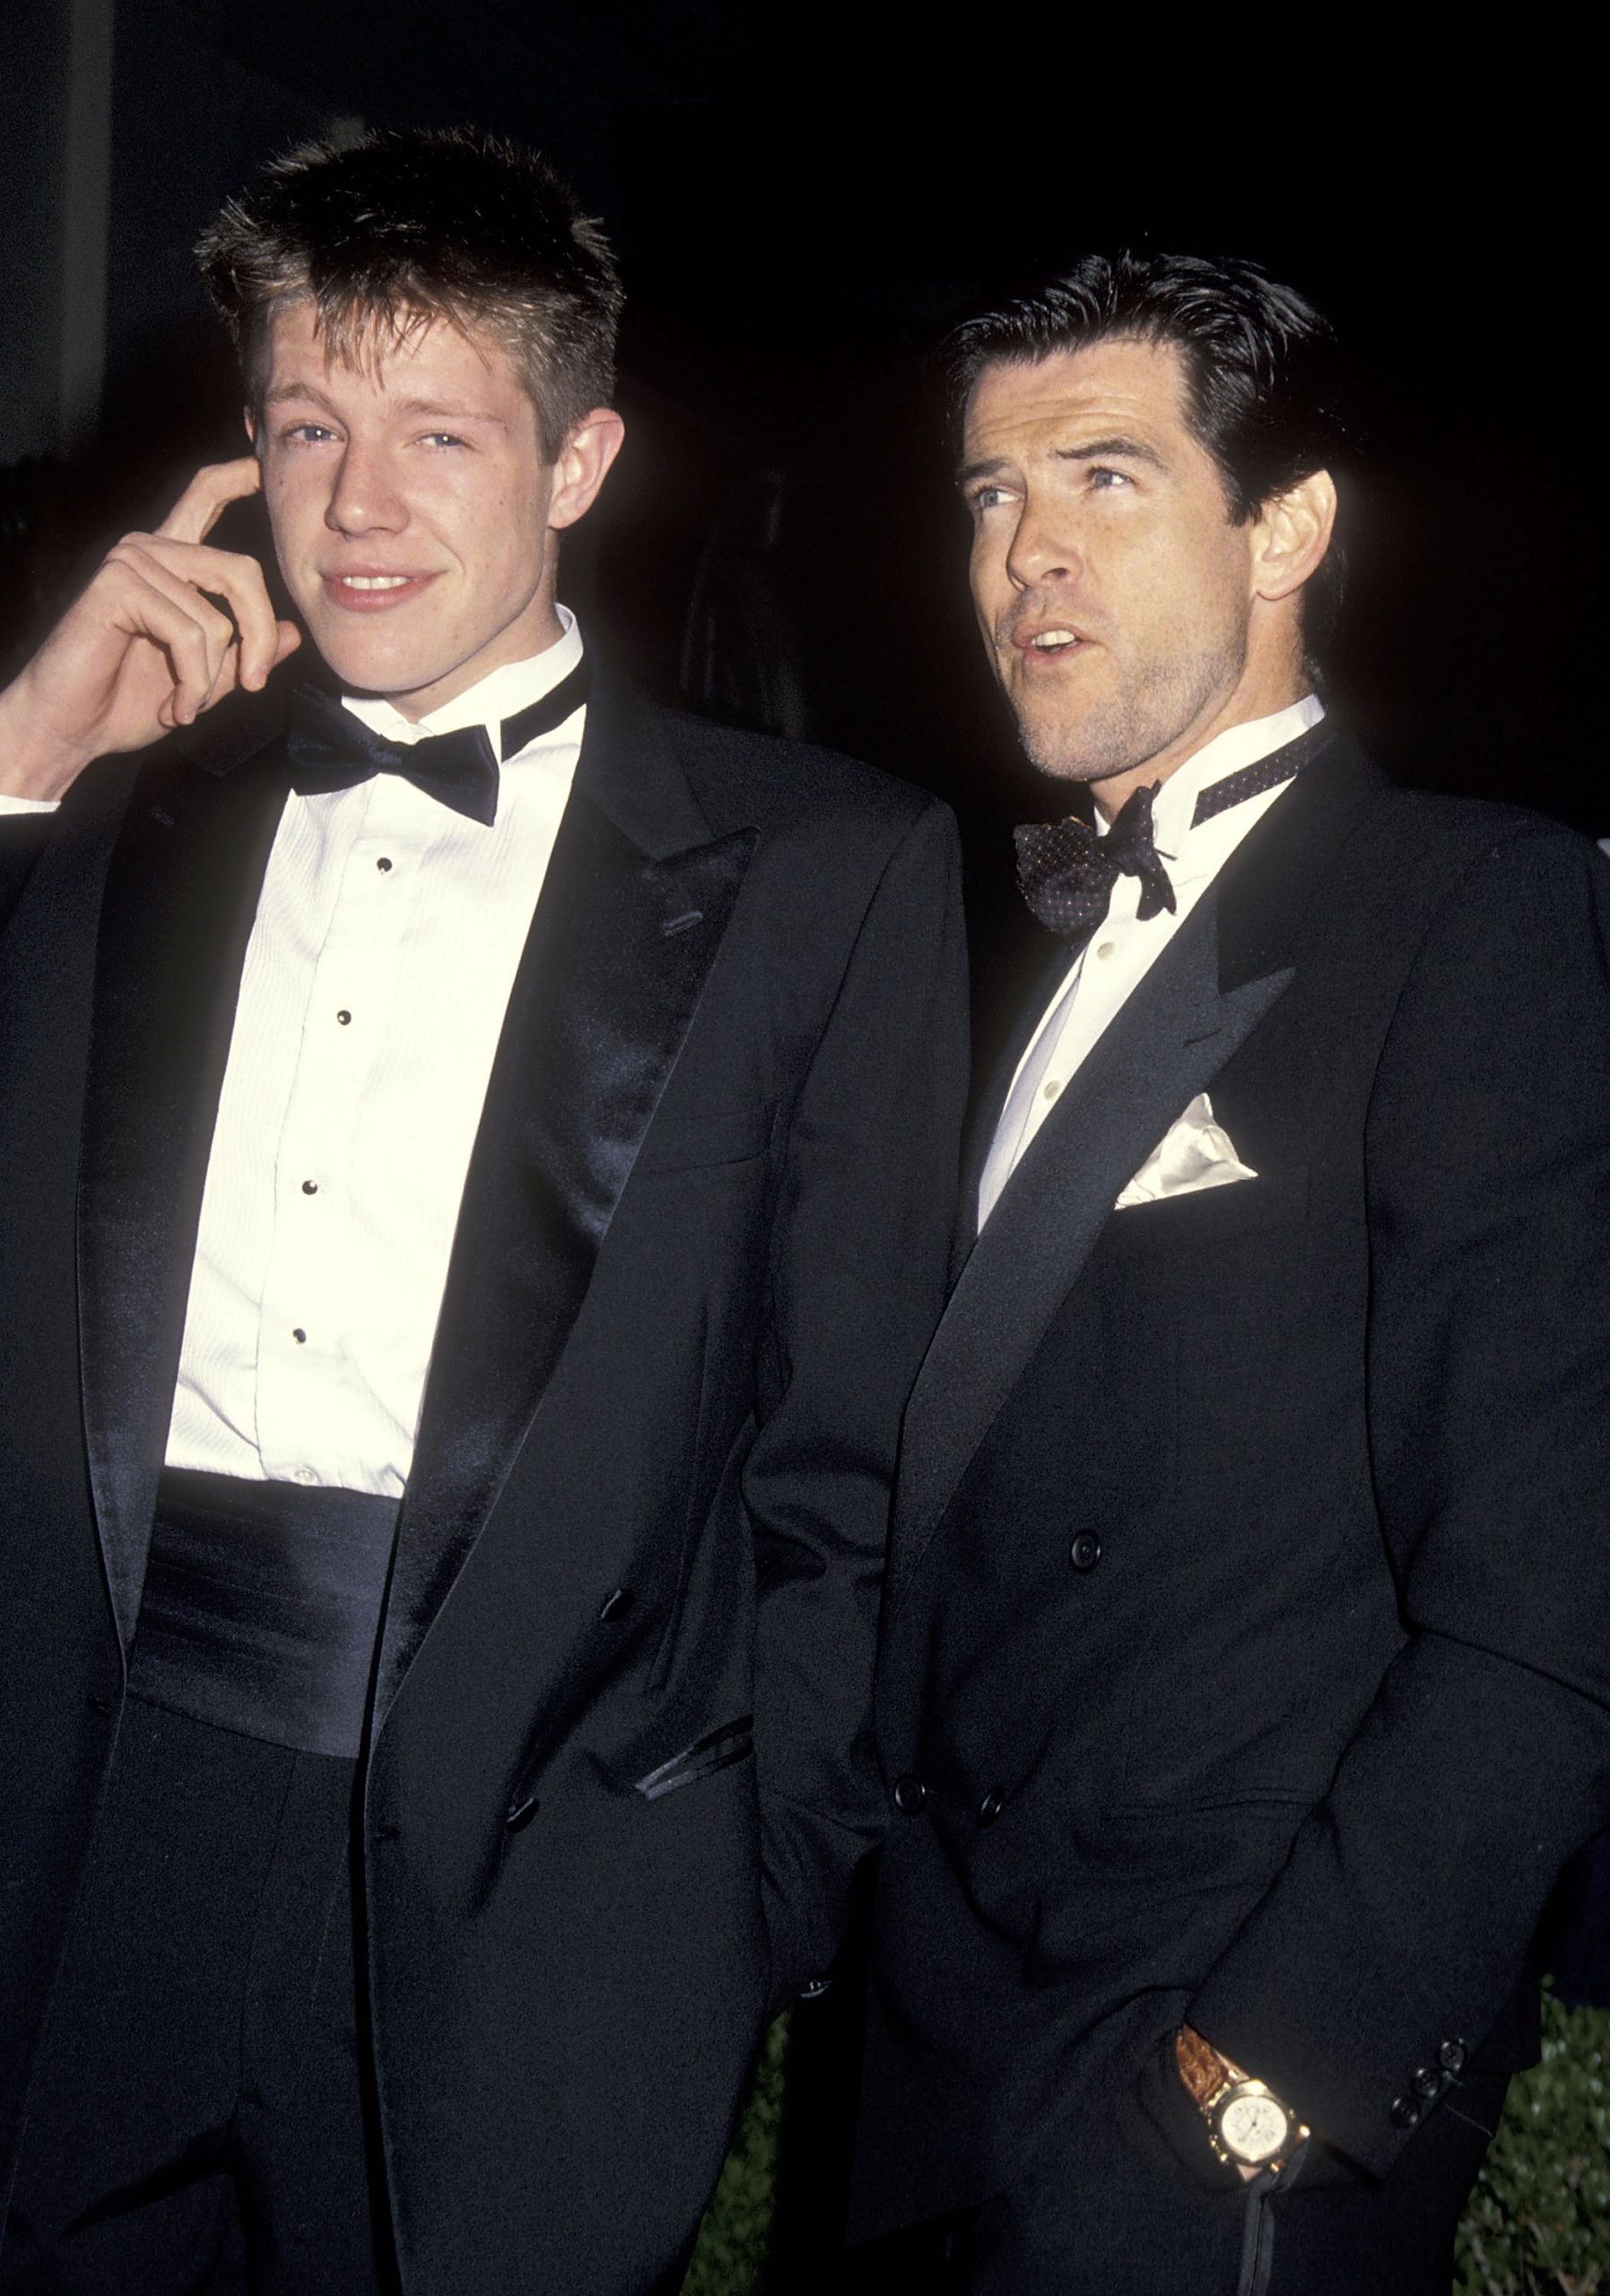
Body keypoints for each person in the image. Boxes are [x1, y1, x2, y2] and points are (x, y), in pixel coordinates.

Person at [0, 127, 967, 2296]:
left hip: (530, 1900)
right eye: (307, 425)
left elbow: (851, 1476)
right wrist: (13, 757)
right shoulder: (113, 822)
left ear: (580, 459)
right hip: (94, 1843)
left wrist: (743, 1896)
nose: (355, 505)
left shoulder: (830, 871)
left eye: (438, 433)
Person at [849, 251, 1610, 2294]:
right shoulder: (993, 938)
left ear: (1287, 524)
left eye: (1104, 478)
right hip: (925, 2041)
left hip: (1198, 2083)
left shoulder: (1478, 911)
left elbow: (1550, 1598)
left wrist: (1270, 2071)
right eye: (991, 496)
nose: (1028, 555)